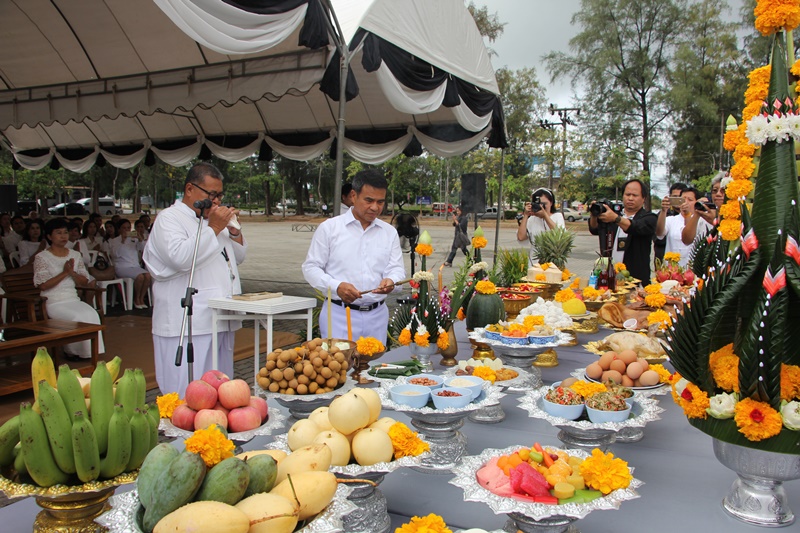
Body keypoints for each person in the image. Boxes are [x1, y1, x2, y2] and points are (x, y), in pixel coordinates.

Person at [143, 162, 246, 395]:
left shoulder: (211, 220)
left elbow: (238, 257)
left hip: (220, 315)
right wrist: (215, 227)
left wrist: (233, 230)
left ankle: (212, 430)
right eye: (212, 194)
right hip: (188, 321)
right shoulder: (169, 219)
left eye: (220, 195)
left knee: (220, 389)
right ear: (190, 189)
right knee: (188, 392)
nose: (217, 201)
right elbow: (180, 258)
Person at [302, 169, 405, 342]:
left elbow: (396, 269)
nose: (375, 207)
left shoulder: (389, 232)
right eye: (369, 200)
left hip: (377, 317)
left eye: (380, 202)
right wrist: (336, 286)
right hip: (339, 316)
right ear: (353, 196)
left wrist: (391, 281)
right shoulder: (330, 228)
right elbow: (311, 268)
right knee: (340, 367)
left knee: (374, 367)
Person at [33, 218, 104, 359]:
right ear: (49, 236)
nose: (63, 236)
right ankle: (72, 352)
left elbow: (84, 281)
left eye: (65, 232)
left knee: (92, 314)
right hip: (53, 301)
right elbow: (43, 285)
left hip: (72, 299)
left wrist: (72, 273)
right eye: (58, 233)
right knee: (77, 317)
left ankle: (89, 353)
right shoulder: (41, 257)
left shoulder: (75, 255)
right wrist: (65, 273)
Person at [588, 179, 657, 283]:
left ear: (644, 198)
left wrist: (616, 218)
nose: (630, 198)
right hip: (609, 276)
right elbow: (594, 229)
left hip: (635, 279)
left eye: (635, 195)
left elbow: (635, 227)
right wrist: (594, 214)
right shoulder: (612, 215)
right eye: (627, 194)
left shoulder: (649, 218)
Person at [656, 187, 713, 268]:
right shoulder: (671, 220)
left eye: (690, 199)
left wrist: (689, 214)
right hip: (672, 268)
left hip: (693, 268)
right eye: (683, 199)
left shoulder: (702, 221)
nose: (685, 202)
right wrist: (664, 211)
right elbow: (659, 234)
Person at [108, 219, 151, 308]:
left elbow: (143, 249)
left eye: (128, 228)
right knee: (140, 277)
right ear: (119, 229)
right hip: (122, 267)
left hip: (135, 266)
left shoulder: (133, 239)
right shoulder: (114, 241)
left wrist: (140, 239)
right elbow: (115, 254)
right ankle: (136, 299)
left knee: (148, 276)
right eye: (124, 228)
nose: (126, 230)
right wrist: (122, 241)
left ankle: (141, 298)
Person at [515, 187, 566, 265]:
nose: (541, 207)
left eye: (544, 204)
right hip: (534, 263)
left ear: (551, 203)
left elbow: (560, 235)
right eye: (538, 204)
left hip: (553, 263)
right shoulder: (532, 219)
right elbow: (521, 237)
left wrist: (545, 216)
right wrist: (525, 215)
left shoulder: (557, 216)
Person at [653, 182, 687, 263]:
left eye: (680, 197)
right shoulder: (663, 215)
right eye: (675, 197)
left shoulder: (690, 215)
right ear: (669, 197)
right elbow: (657, 237)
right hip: (664, 258)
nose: (678, 200)